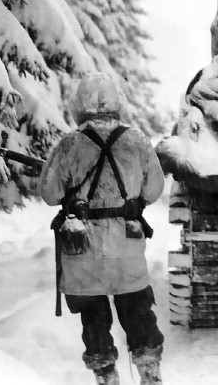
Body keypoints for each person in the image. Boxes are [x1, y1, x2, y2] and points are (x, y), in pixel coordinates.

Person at [40, 73, 165, 385]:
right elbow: (154, 189)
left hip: (85, 252)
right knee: (138, 313)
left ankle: (107, 377)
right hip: (127, 246)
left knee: (94, 318)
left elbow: (49, 193)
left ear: (79, 105)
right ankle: (149, 373)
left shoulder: (69, 144)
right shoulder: (137, 141)